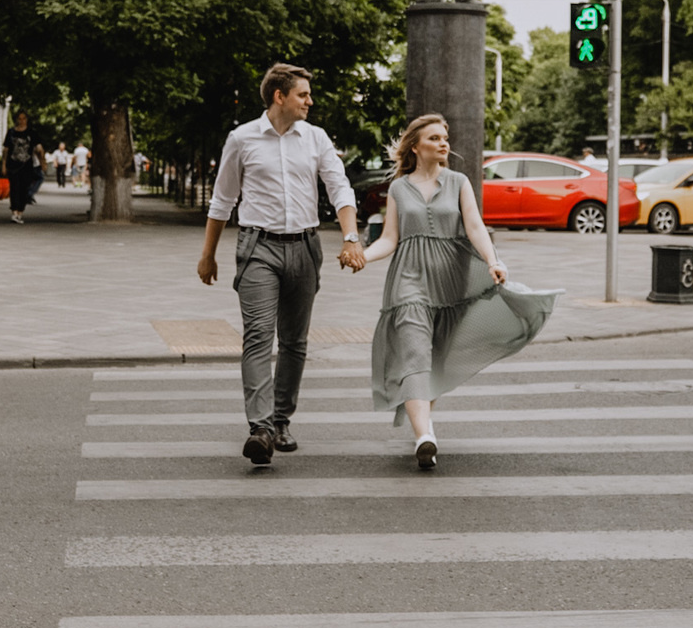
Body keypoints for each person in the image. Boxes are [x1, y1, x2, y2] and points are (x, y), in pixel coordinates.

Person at [360, 113, 558, 469]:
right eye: (434, 138)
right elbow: (390, 239)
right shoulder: (399, 188)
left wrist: (493, 260)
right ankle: (425, 436)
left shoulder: (459, 182)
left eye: (445, 137)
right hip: (408, 280)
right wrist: (363, 256)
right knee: (414, 354)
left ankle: (424, 429)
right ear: (416, 147)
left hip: (453, 284)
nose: (444, 143)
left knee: (435, 358)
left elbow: (476, 228)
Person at [197, 63, 366, 468]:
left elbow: (338, 186)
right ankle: (260, 428)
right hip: (258, 248)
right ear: (280, 96)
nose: (310, 101)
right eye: (303, 95)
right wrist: (208, 253)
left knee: (293, 341)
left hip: (305, 247)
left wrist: (350, 236)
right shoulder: (242, 139)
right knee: (258, 336)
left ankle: (281, 419)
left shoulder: (316, 138)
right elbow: (223, 199)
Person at [4, 111, 42, 224]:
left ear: (27, 120)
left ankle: (20, 211)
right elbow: (6, 150)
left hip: (27, 165)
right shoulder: (11, 132)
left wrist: (42, 162)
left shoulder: (31, 133)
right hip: (13, 165)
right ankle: (14, 212)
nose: (21, 121)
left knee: (24, 188)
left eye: (23, 118)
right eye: (19, 118)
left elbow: (39, 148)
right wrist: (4, 165)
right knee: (14, 188)